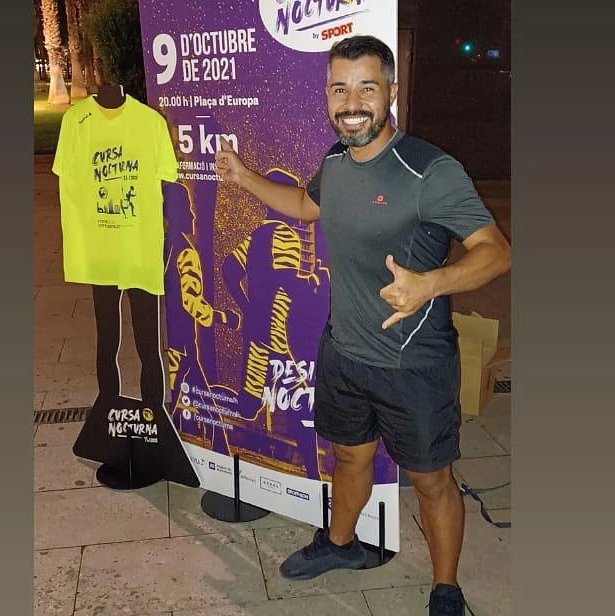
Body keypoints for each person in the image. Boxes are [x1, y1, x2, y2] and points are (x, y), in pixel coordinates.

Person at [215, 35, 511, 616]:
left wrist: (430, 283)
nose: (351, 103)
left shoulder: (430, 170)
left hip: (413, 363)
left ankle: (446, 587)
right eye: (339, 89)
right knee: (349, 458)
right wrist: (245, 177)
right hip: (344, 352)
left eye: (366, 88)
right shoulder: (334, 161)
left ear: (391, 92)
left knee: (431, 481)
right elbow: (307, 207)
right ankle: (341, 543)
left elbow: (496, 252)